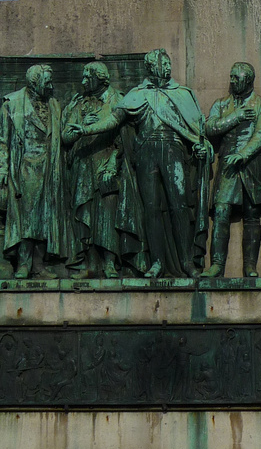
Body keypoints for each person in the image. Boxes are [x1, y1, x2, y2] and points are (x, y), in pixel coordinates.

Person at [77, 49, 212, 278]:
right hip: (146, 153)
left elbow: (199, 130)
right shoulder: (137, 93)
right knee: (150, 209)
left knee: (178, 206)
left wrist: (201, 146)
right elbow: (113, 120)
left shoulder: (183, 93)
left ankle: (187, 262)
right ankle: (157, 261)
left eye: (169, 64)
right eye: (163, 64)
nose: (167, 68)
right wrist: (86, 129)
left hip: (174, 151)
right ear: (151, 68)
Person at [61, 61, 147, 278]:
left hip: (109, 165)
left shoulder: (118, 100)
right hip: (82, 166)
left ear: (100, 78)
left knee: (108, 213)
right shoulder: (79, 105)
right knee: (85, 213)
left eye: (86, 78)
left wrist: (113, 163)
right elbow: (65, 136)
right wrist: (79, 125)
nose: (82, 82)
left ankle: (110, 262)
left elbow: (128, 137)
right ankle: (90, 263)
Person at [0, 63, 72, 279]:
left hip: (50, 166)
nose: (51, 86)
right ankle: (24, 264)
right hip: (25, 166)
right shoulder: (13, 104)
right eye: (47, 82)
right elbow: (0, 140)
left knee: (46, 218)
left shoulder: (54, 105)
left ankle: (39, 264)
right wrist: (0, 169)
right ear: (35, 83)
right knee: (27, 218)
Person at [203, 62, 261, 278]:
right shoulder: (221, 104)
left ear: (248, 80)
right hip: (227, 165)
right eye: (231, 77)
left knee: (252, 214)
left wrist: (243, 154)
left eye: (236, 77)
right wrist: (237, 117)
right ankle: (216, 265)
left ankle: (250, 266)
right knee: (221, 212)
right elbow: (209, 128)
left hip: (252, 164)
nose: (231, 81)